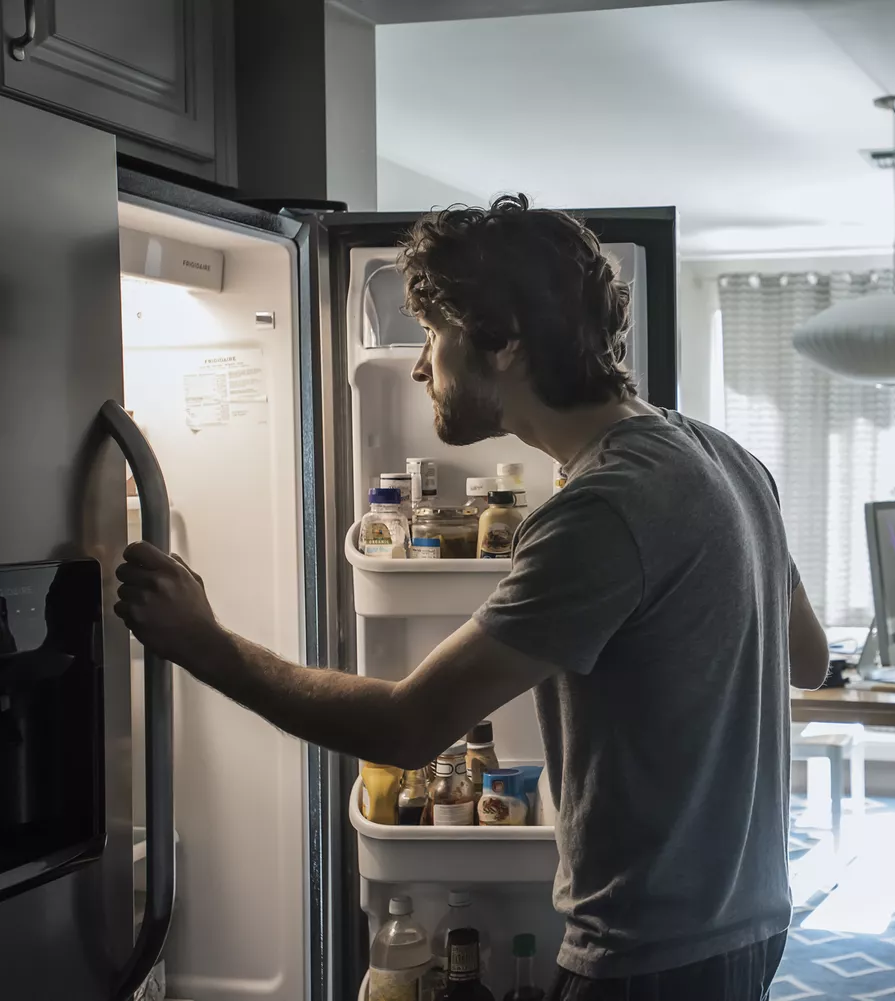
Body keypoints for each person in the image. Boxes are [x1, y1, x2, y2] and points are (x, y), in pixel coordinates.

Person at [113, 194, 832, 1001]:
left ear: (506, 342)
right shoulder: (722, 454)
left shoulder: (602, 509)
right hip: (751, 922)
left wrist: (202, 641)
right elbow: (809, 658)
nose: (421, 366)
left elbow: (407, 724)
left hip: (650, 954)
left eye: (433, 334)